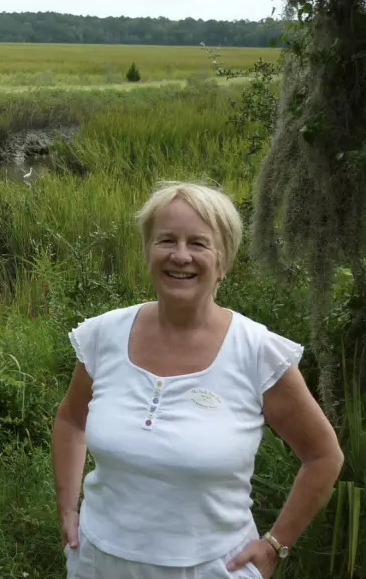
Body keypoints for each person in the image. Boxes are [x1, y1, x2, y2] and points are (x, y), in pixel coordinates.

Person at [50, 181, 344, 578]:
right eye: (166, 240)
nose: (181, 256)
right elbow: (71, 420)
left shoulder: (256, 352)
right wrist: (68, 508)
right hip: (98, 562)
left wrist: (275, 544)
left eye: (199, 244)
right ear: (147, 252)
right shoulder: (103, 336)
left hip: (210, 568)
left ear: (223, 261)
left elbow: (324, 456)